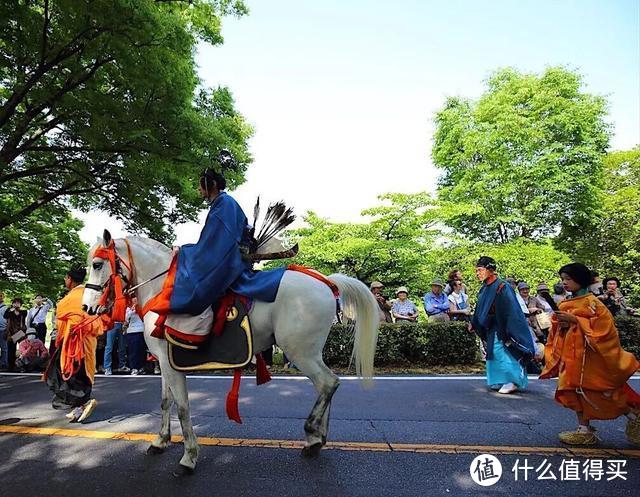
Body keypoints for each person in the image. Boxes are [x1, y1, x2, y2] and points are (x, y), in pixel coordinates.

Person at [540, 263, 640, 446]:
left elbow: (604, 331)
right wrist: (561, 324)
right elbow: (559, 330)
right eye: (563, 279)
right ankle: (583, 429)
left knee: (605, 391)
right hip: (571, 359)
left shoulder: (594, 303)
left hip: (591, 360)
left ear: (581, 279)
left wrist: (575, 320)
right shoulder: (565, 303)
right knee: (574, 391)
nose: (565, 283)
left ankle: (634, 417)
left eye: (568, 279)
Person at [46, 267, 104, 423]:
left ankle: (83, 403)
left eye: (66, 278)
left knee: (69, 374)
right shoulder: (90, 295)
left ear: (69, 279)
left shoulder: (68, 299)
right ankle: (78, 407)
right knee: (83, 373)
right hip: (88, 340)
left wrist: (59, 340)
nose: (65, 281)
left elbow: (62, 324)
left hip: (72, 342)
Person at [471, 256, 535, 395]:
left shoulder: (502, 286)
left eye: (480, 270)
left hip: (503, 326)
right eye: (476, 271)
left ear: (490, 270)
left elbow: (511, 309)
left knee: (505, 352)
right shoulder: (484, 289)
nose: (477, 273)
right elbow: (479, 308)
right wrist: (474, 322)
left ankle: (512, 381)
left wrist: (510, 328)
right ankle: (499, 379)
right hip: (491, 326)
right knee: (493, 353)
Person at [4, 298, 27, 372]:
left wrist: (17, 310)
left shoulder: (23, 312)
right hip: (11, 334)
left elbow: (24, 315)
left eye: (18, 303)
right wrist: (11, 309)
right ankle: (11, 366)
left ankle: (22, 365)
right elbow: (5, 316)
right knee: (11, 350)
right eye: (15, 303)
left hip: (20, 333)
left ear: (20, 304)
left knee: (23, 350)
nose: (16, 304)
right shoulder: (9, 312)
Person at [124, 298, 146, 375]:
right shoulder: (128, 308)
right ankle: (134, 367)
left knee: (142, 350)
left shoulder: (142, 306)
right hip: (132, 331)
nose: (135, 301)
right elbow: (126, 319)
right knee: (133, 351)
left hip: (142, 330)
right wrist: (131, 310)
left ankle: (141, 367)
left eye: (136, 299)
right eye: (134, 299)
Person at [0, 292, 8, 371]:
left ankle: (4, 364)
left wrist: (7, 329)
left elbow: (8, 320)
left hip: (3, 330)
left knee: (4, 348)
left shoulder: (6, 308)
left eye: (1, 296)